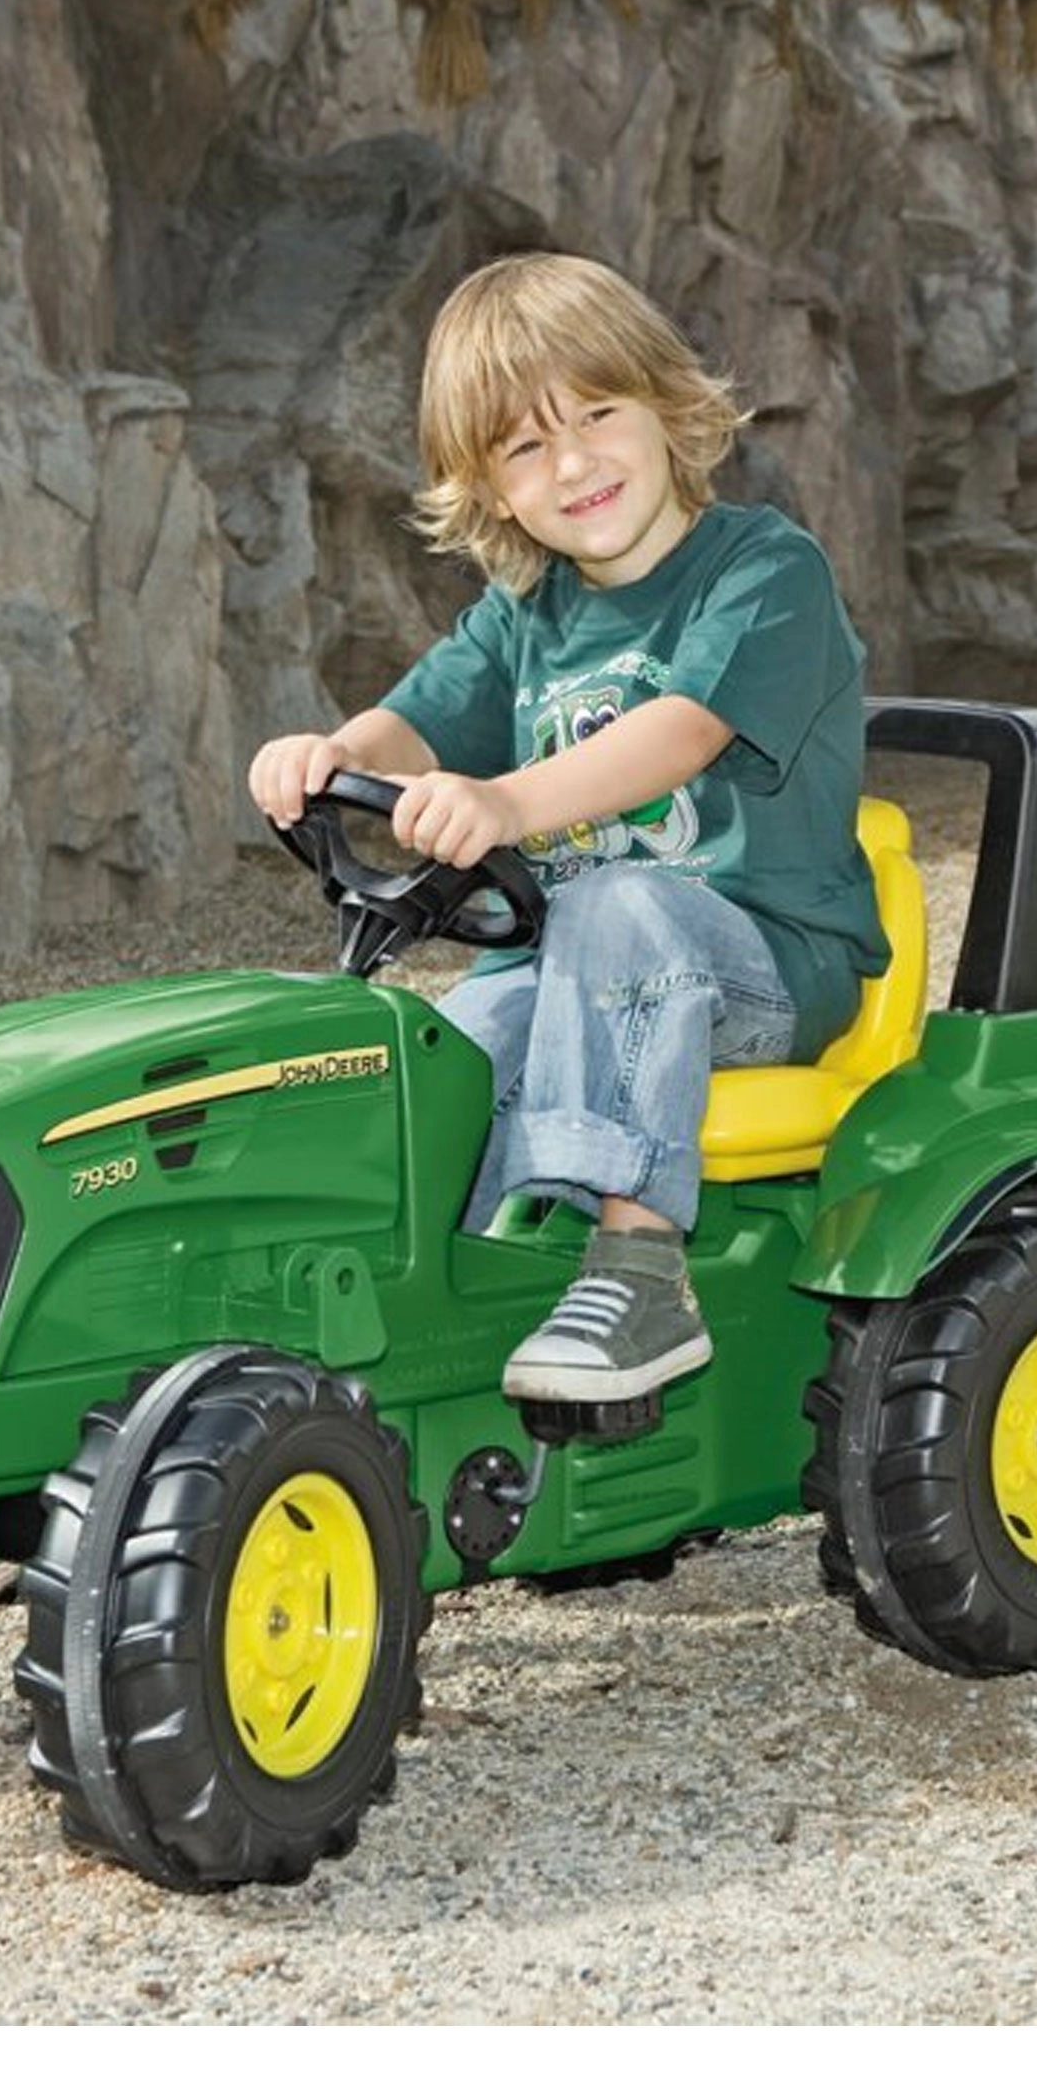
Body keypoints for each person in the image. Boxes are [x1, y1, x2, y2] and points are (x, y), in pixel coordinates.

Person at [249, 252, 887, 1406]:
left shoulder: (762, 570)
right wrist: (332, 758)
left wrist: (506, 803)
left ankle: (639, 1271)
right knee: (447, 1045)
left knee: (618, 906)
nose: (575, 463)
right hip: (572, 974)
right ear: (491, 489)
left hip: (762, 966)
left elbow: (680, 732)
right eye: (526, 447)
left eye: (596, 415)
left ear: (665, 404)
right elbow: (413, 724)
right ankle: (438, 1306)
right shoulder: (524, 615)